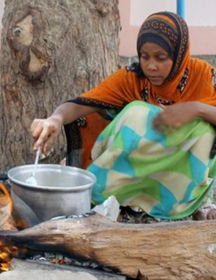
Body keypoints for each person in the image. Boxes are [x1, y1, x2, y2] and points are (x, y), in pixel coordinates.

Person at [30, 11, 216, 220]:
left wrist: (196, 109)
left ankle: (175, 207)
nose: (151, 66)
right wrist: (54, 119)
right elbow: (81, 104)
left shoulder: (204, 77)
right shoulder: (133, 78)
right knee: (136, 113)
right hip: (137, 166)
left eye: (161, 58)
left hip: (176, 179)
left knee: (205, 130)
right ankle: (110, 197)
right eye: (144, 56)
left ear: (179, 55)